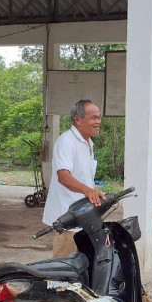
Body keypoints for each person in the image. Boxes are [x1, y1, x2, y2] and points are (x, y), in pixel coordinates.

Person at [42, 99, 106, 257]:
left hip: (83, 216)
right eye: (93, 118)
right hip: (67, 218)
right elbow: (63, 177)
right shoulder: (67, 141)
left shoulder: (88, 142)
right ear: (78, 119)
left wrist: (93, 192)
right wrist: (87, 190)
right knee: (65, 265)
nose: (98, 122)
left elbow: (83, 177)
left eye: (99, 117)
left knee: (83, 264)